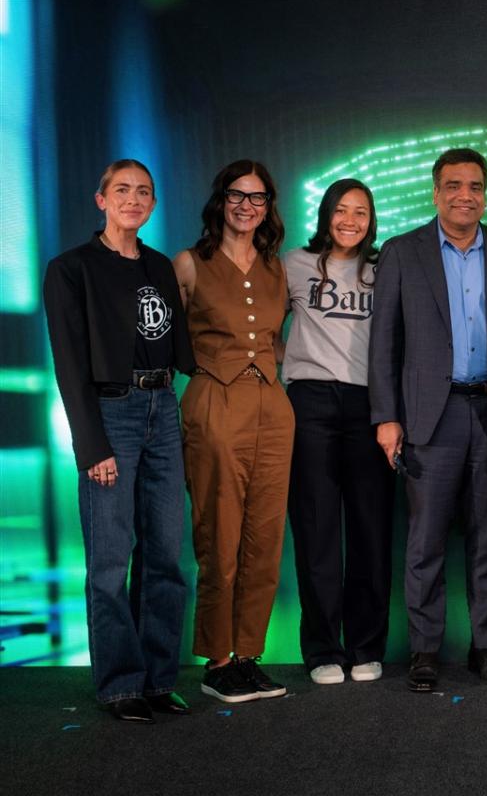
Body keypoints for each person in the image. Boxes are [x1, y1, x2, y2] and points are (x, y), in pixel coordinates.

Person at [369, 148, 487, 693]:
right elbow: (384, 343)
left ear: (485, 193)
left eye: (475, 186)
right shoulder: (401, 252)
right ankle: (424, 652)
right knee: (425, 542)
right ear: (435, 192)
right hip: (426, 419)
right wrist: (387, 417)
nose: (466, 195)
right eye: (454, 185)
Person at [44, 160, 195, 722]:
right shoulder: (71, 269)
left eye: (144, 192)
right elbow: (68, 364)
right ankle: (119, 685)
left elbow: (174, 340)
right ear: (100, 199)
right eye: (122, 191)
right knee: (110, 562)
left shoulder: (158, 265)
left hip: (164, 408)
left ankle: (157, 679)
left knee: (164, 557)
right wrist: (92, 446)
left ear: (153, 204)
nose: (134, 200)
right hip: (112, 415)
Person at [173, 159, 293, 703]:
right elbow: (161, 336)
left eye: (258, 198)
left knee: (265, 538)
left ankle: (249, 655)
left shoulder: (277, 268)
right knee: (218, 534)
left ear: (269, 206)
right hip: (215, 399)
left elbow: (280, 340)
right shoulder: (189, 263)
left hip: (273, 404)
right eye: (237, 196)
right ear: (220, 200)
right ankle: (217, 659)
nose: (247, 206)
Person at [283, 179, 395, 686]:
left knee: (371, 530)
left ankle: (367, 645)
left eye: (362, 212)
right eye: (342, 210)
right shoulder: (292, 264)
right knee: (316, 527)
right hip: (309, 401)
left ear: (372, 220)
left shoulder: (382, 271)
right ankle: (323, 648)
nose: (351, 220)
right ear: (326, 214)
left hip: (367, 404)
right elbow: (259, 327)